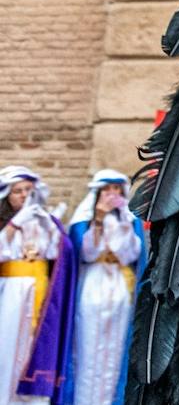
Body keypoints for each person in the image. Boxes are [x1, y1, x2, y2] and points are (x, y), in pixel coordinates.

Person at [61, 171, 144, 405]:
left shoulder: (129, 220)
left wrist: (126, 226)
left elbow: (132, 254)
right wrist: (98, 219)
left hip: (120, 289)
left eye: (117, 190)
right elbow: (86, 253)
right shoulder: (84, 219)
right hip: (92, 287)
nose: (112, 195)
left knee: (115, 348)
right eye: (107, 190)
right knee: (87, 346)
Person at [0, 166, 75, 404]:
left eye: (28, 191)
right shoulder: (6, 223)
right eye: (18, 191)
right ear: (7, 196)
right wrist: (14, 225)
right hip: (10, 292)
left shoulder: (46, 222)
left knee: (35, 347)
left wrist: (52, 228)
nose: (23, 196)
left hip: (41, 294)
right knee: (8, 346)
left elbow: (60, 255)